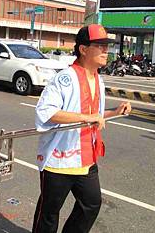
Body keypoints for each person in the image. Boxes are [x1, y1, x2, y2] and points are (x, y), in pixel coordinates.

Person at [32, 24, 131, 233]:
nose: (106, 51)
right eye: (100, 46)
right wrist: (89, 117)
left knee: (91, 204)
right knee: (49, 213)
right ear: (83, 49)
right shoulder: (64, 78)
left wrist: (115, 112)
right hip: (59, 160)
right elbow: (46, 112)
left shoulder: (98, 79)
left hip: (86, 159)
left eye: (107, 46)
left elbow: (94, 115)